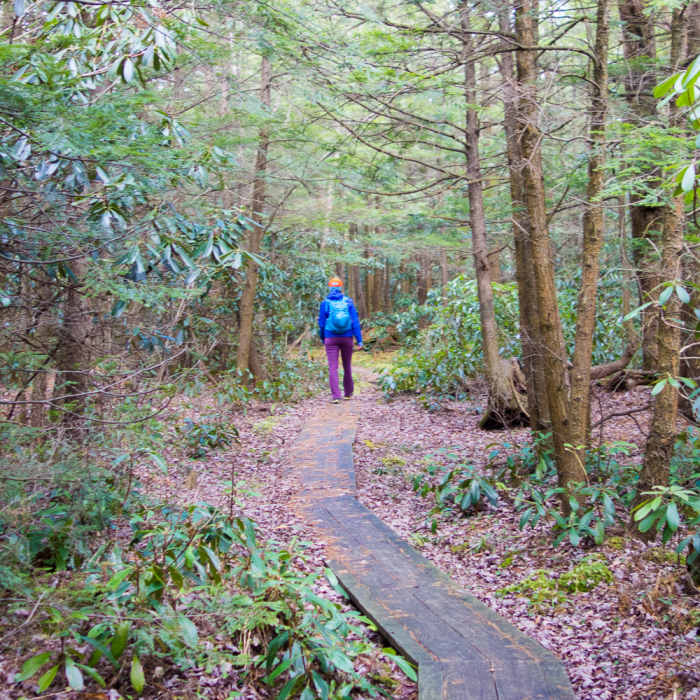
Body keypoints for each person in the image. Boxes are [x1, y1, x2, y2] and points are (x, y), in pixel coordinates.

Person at [318, 277, 363, 403]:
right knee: (347, 365)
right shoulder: (348, 302)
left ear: (330, 287)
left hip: (330, 338)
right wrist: (359, 340)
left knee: (333, 367)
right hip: (347, 337)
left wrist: (323, 337)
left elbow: (321, 323)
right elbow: (355, 322)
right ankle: (348, 393)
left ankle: (336, 396)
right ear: (340, 288)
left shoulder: (325, 303)